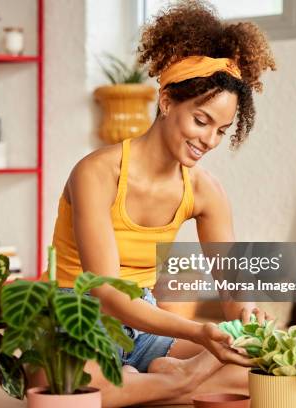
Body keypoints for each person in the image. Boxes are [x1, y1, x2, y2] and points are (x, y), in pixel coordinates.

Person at [37, 1, 276, 406]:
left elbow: (232, 285)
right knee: (75, 393)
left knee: (261, 370)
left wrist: (246, 315)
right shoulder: (96, 172)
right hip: (76, 319)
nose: (209, 141)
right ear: (166, 102)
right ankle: (178, 381)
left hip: (144, 328)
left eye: (221, 130)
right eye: (201, 121)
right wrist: (200, 338)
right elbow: (108, 294)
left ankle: (148, 379)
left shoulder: (205, 191)